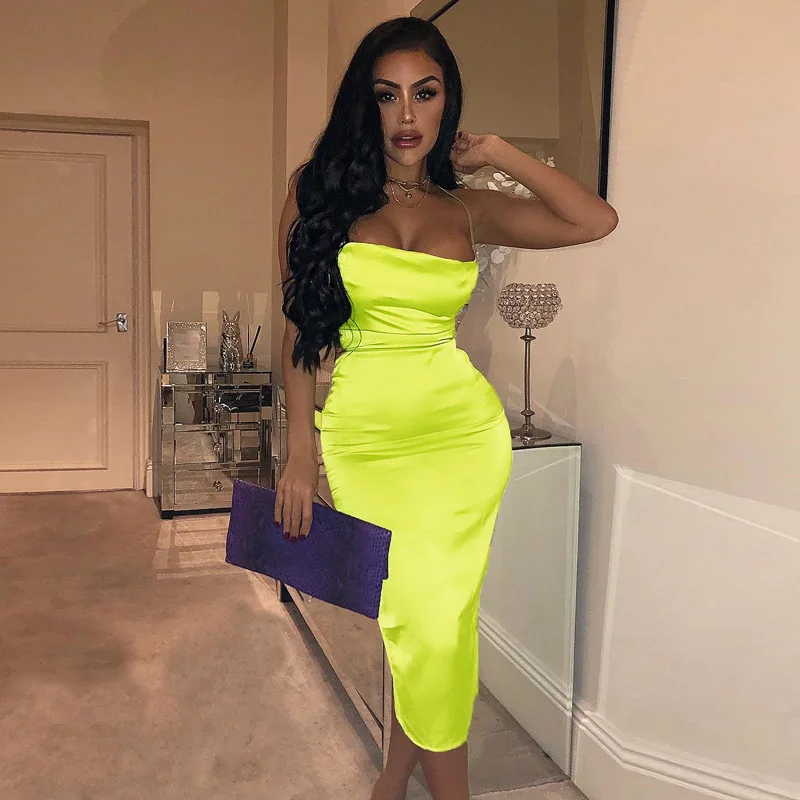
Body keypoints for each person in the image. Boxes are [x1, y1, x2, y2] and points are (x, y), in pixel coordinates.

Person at [274, 16, 617, 800]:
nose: (406, 115)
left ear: (447, 103)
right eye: (386, 95)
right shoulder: (317, 194)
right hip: (366, 439)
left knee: (439, 625)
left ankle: (396, 780)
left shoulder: (467, 209)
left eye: (424, 94)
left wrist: (496, 153)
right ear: (365, 105)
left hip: (462, 438)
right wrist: (300, 451)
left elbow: (594, 220)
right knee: (422, 624)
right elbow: (298, 327)